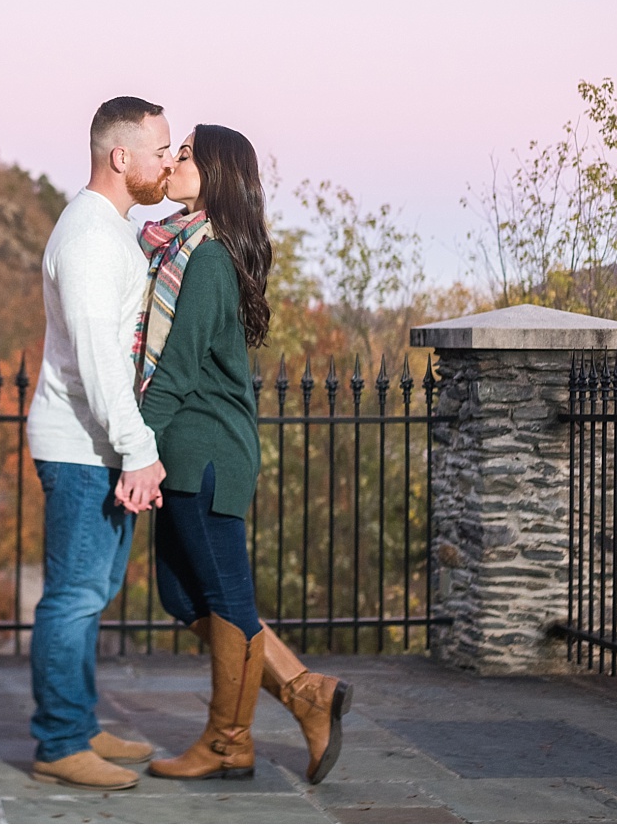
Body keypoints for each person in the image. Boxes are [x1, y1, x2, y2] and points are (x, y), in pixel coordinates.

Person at [133, 124, 351, 785]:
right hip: (188, 448)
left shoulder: (208, 258)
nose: (174, 160)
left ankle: (229, 743)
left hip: (203, 453)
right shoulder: (186, 247)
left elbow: (172, 371)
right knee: (181, 592)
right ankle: (304, 692)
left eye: (187, 154)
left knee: (227, 599)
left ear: (218, 174)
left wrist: (132, 447)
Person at [24, 96, 175, 792]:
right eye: (160, 150)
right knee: (73, 597)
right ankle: (59, 742)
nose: (167, 161)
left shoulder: (110, 230)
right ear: (121, 157)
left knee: (92, 591)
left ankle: (79, 725)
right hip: (81, 447)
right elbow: (97, 357)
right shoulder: (87, 236)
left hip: (100, 447)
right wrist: (136, 449)